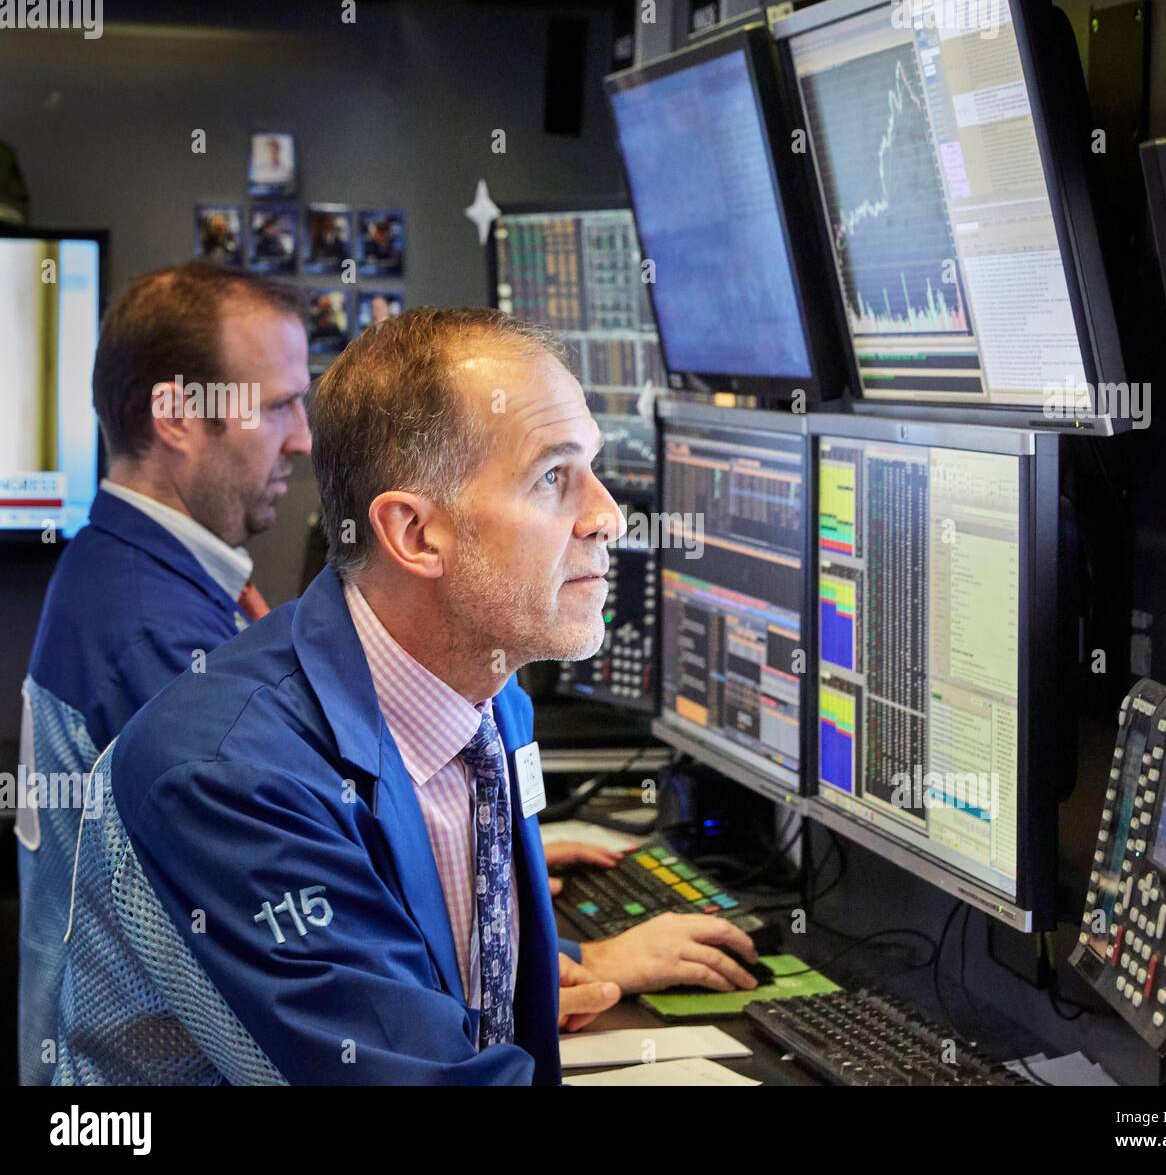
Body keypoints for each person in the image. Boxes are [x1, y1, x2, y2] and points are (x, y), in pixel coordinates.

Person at [53, 307, 757, 1085]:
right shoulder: (230, 777)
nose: (608, 516)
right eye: (553, 477)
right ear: (416, 535)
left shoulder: (491, 698)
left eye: (589, 467)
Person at [16, 262, 311, 1085]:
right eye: (279, 403)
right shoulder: (156, 634)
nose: (304, 436)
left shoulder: (116, 570)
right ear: (179, 416)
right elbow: (289, 914)